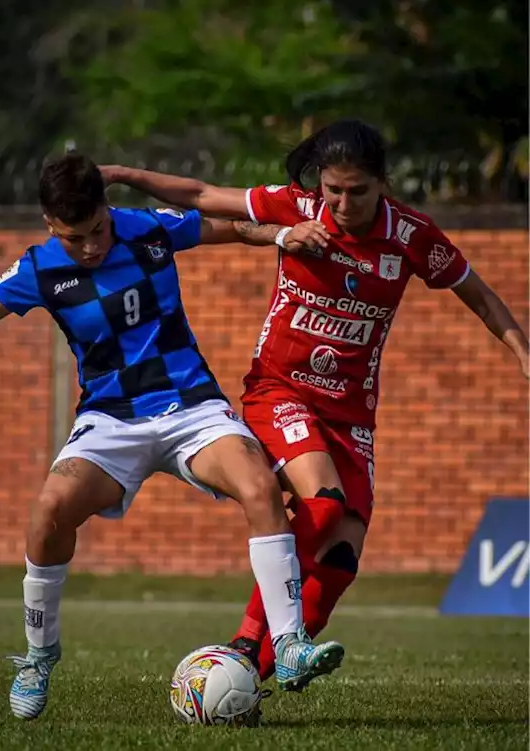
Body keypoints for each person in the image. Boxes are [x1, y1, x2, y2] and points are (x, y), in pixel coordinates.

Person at [101, 118, 530, 693]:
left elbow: (478, 294)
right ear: (320, 183)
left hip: (352, 414)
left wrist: (522, 352)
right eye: (334, 190)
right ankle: (249, 642)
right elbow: (203, 195)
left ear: (382, 185)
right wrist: (124, 174)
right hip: (281, 390)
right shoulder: (295, 209)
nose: (344, 204)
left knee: (340, 562)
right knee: (322, 507)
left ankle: (248, 678)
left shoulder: (410, 236)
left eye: (359, 192)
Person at [0, 151, 346, 723]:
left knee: (257, 482)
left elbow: (226, 225)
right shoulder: (37, 268)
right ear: (51, 226)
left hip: (191, 406)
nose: (94, 246)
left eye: (99, 229)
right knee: (50, 510)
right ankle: (38, 657)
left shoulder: (146, 228)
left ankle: (291, 644)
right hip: (110, 420)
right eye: (77, 239)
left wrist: (282, 233)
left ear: (108, 209)